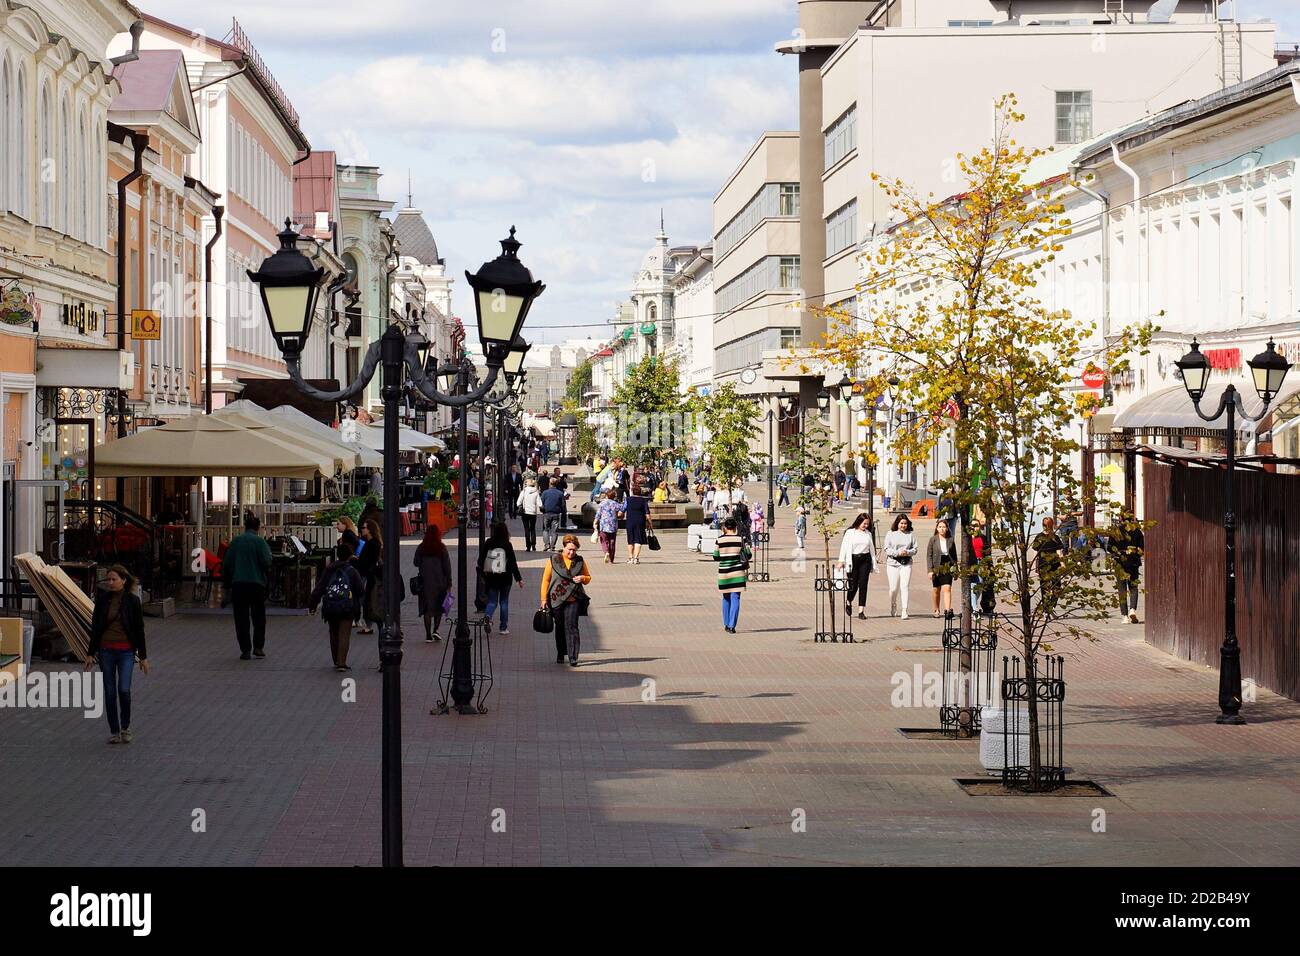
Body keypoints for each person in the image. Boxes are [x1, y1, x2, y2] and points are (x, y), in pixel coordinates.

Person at [85, 565, 149, 743]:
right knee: (110, 691)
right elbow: (96, 628)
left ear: (124, 580)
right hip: (106, 650)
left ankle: (125, 727)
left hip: (126, 651)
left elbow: (139, 629)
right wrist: (90, 653)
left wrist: (142, 657)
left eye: (114, 579)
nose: (111, 583)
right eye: (108, 579)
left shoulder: (132, 601)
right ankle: (114, 731)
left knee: (124, 690)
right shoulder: (103, 600)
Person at [222, 514, 272, 659]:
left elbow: (227, 564)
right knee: (259, 618)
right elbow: (267, 562)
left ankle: (245, 649)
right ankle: (258, 647)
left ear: (245, 527)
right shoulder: (260, 542)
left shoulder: (236, 542)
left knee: (241, 618)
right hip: (257, 584)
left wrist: (226, 585)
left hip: (239, 584)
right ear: (258, 527)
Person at [309, 542, 364, 670]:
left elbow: (320, 588)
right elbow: (360, 589)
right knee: (344, 634)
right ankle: (341, 662)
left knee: (333, 632)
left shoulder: (329, 569)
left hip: (330, 606)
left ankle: (335, 660)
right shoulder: (352, 571)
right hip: (347, 606)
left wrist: (313, 604)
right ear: (350, 556)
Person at [540, 534, 592, 666]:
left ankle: (573, 656)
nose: (571, 552)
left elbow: (588, 577)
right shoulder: (553, 560)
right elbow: (545, 580)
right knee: (560, 627)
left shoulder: (580, 561)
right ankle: (561, 653)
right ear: (563, 547)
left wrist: (582, 578)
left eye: (574, 550)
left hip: (573, 599)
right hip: (555, 599)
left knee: (572, 627)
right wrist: (543, 599)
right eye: (569, 549)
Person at [478, 522, 524, 635]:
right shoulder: (507, 544)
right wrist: (519, 579)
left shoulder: (489, 542)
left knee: (492, 601)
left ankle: (488, 616)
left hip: (492, 577)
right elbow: (513, 563)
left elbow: (481, 560)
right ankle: (503, 627)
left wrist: (483, 573)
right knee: (504, 602)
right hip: (505, 578)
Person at [414, 525, 453, 642]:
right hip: (439, 582)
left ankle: (427, 635)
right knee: (439, 607)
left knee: (427, 609)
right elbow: (447, 567)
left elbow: (415, 562)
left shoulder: (422, 547)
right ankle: (435, 630)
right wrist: (449, 582)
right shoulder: (441, 548)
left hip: (424, 582)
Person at [1107, 510, 1145, 623]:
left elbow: (1109, 547)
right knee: (1133, 587)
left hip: (1119, 563)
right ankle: (1132, 609)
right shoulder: (1137, 531)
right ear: (1132, 518)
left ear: (1121, 518)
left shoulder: (1115, 531)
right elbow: (1141, 549)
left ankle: (1124, 616)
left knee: (1122, 589)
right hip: (1133, 563)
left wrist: (1117, 552)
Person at [713, 517, 750, 634]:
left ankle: (726, 623)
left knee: (725, 598)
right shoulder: (740, 539)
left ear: (725, 527)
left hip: (724, 573)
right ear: (735, 527)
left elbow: (716, 557)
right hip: (737, 573)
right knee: (736, 598)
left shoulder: (719, 540)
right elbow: (748, 555)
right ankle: (732, 626)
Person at [838, 513, 877, 620]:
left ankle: (861, 611)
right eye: (864, 523)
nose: (865, 526)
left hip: (865, 560)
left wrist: (873, 562)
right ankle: (849, 601)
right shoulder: (850, 532)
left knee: (863, 585)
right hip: (852, 560)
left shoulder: (868, 533)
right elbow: (844, 547)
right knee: (853, 585)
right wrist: (841, 561)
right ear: (859, 522)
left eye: (867, 524)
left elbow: (871, 549)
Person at [883, 514, 919, 619]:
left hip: (906, 563)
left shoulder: (910, 535)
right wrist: (897, 553)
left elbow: (915, 549)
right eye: (901, 523)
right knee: (893, 588)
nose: (903, 525)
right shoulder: (890, 534)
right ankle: (893, 603)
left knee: (905, 586)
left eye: (905, 523)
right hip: (893, 563)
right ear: (897, 523)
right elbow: (886, 549)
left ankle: (904, 610)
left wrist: (907, 552)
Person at [355, 518, 383, 635]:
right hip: (367, 573)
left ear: (370, 530)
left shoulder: (373, 543)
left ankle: (368, 623)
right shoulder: (370, 542)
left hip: (368, 574)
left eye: (364, 528)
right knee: (366, 599)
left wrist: (359, 561)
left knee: (366, 599)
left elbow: (370, 560)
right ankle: (367, 623)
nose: (362, 530)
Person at [1032, 516, 1065, 611]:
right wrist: (1063, 565)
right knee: (1057, 586)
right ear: (1052, 525)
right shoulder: (1055, 537)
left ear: (1043, 525)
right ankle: (1050, 606)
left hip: (1043, 565)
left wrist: (1035, 566)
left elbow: (1035, 553)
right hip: (1054, 565)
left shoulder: (1039, 537)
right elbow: (1060, 553)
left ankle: (1046, 607)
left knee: (1045, 587)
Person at [927, 519, 956, 618]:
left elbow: (954, 555)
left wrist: (955, 569)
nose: (942, 529)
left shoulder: (951, 539)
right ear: (937, 528)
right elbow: (929, 555)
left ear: (947, 528)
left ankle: (947, 610)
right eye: (940, 527)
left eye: (944, 527)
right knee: (936, 589)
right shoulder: (933, 539)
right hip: (936, 566)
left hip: (947, 565)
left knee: (947, 588)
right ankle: (936, 608)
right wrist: (930, 570)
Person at [623, 482, 653, 564]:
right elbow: (647, 514)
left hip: (630, 521)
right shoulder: (643, 501)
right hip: (640, 522)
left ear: (632, 492)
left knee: (630, 540)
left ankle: (630, 558)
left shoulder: (628, 500)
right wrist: (650, 523)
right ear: (640, 492)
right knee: (638, 540)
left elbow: (622, 510)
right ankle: (636, 558)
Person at [595, 489, 624, 563]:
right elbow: (622, 510)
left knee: (604, 540)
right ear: (614, 496)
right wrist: (620, 514)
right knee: (612, 541)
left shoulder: (602, 503)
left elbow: (598, 514)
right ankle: (611, 559)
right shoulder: (616, 504)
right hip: (613, 525)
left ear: (607, 495)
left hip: (603, 524)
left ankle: (606, 552)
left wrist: (595, 522)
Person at [540, 477, 566, 551]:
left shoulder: (545, 493)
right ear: (556, 484)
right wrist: (562, 511)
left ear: (549, 483)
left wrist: (542, 510)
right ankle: (552, 546)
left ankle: (546, 544)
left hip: (546, 513)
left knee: (545, 530)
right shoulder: (560, 493)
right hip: (556, 514)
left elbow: (541, 503)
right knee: (554, 531)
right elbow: (563, 505)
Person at [517, 476, 541, 551]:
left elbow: (518, 503)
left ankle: (528, 546)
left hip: (525, 512)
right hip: (533, 513)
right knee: (533, 529)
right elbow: (540, 504)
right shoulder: (536, 492)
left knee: (526, 529)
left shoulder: (523, 492)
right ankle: (533, 545)